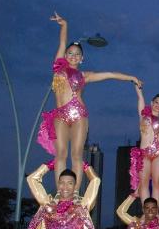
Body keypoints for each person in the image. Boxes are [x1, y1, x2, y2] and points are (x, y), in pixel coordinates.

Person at [38, 12, 141, 191]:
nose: (73, 55)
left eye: (77, 54)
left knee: (77, 155)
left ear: (82, 59)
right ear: (65, 55)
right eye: (70, 53)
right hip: (60, 115)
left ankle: (75, 193)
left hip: (79, 114)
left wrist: (131, 77)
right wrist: (64, 25)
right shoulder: (59, 68)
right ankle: (62, 192)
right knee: (60, 154)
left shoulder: (85, 75)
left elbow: (109, 74)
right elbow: (62, 42)